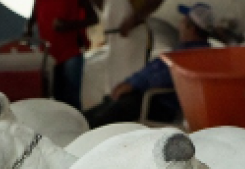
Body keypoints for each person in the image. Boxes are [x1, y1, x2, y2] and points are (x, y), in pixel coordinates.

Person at [84, 3, 213, 127]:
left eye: (183, 21)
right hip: (146, 97)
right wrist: (129, 83)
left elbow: (168, 77)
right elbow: (151, 70)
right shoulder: (182, 50)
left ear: (191, 28)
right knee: (105, 105)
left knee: (102, 117)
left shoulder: (196, 55)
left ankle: (81, 132)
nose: (180, 24)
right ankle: (80, 123)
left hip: (158, 103)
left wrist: (133, 84)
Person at [27, 0, 98, 109]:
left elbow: (93, 18)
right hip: (48, 56)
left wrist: (68, 25)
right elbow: (32, 20)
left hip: (70, 53)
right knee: (55, 99)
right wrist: (27, 37)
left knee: (71, 99)